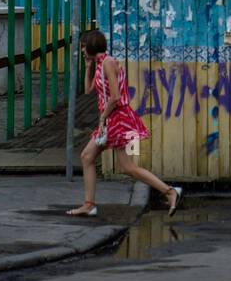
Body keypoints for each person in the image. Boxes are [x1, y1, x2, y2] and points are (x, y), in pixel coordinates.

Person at [68, 29, 181, 217]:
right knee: (94, 159)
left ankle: (170, 191)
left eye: (82, 47)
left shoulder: (108, 63)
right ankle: (89, 204)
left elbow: (115, 96)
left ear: (90, 46)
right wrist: (87, 66)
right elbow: (88, 90)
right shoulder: (98, 64)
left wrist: (103, 116)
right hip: (113, 119)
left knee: (119, 164)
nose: (81, 51)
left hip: (118, 119)